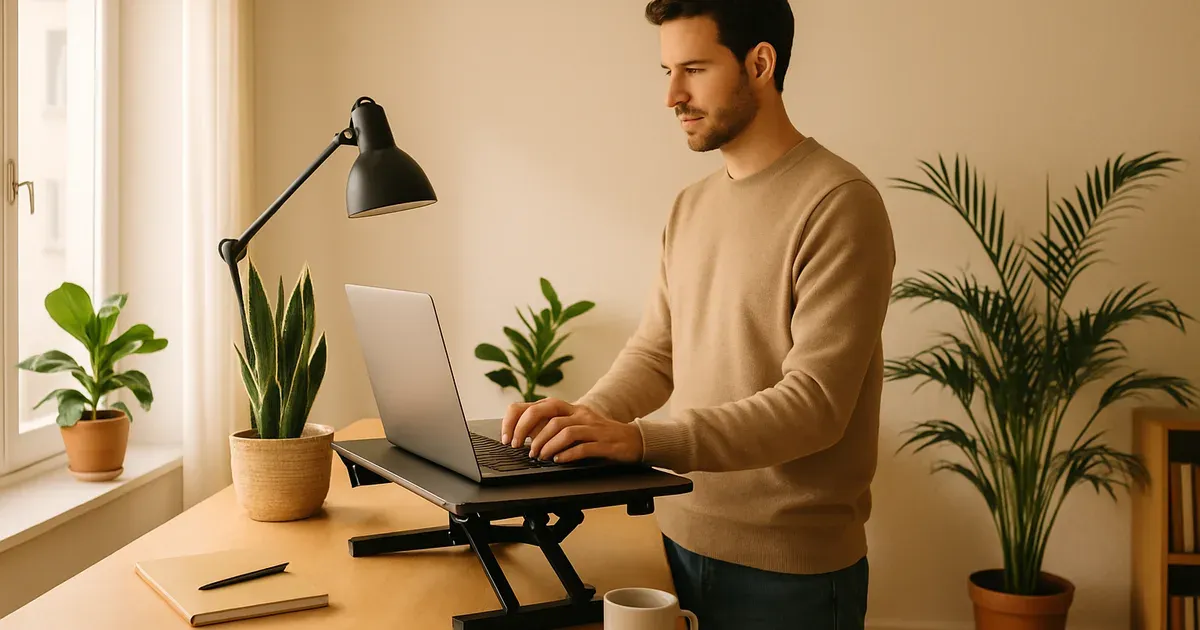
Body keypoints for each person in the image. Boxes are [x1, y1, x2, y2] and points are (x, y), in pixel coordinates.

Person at [500, 1, 895, 628]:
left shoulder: (840, 204)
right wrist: (584, 422)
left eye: (694, 69)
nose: (672, 96)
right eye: (667, 71)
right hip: (674, 538)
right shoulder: (690, 206)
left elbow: (816, 405)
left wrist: (642, 441)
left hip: (790, 573)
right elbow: (657, 353)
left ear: (760, 63)